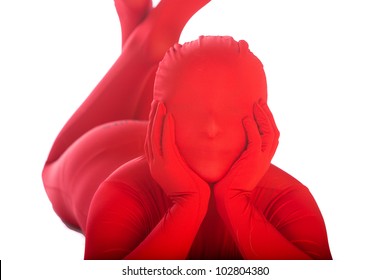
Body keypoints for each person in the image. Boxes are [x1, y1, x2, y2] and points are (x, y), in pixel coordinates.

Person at [42, 0, 332, 260]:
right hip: (120, 149)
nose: (211, 128)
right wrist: (213, 201)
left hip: (140, 144)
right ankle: (146, 43)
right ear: (265, 123)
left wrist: (204, 202)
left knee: (163, 103)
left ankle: (147, 42)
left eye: (229, 112)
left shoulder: (120, 193)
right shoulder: (287, 197)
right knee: (51, 171)